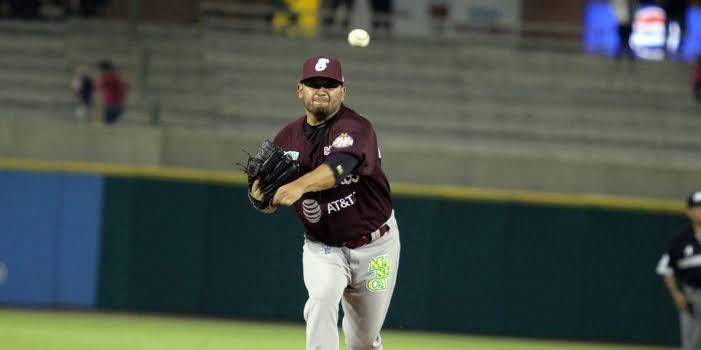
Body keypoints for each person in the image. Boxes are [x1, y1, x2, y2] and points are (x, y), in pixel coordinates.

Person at [249, 55, 400, 350]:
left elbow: (338, 167)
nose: (321, 90)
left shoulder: (357, 128)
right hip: (324, 247)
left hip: (378, 248)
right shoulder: (287, 139)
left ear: (343, 91)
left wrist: (297, 186)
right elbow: (267, 199)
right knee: (321, 299)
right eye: (313, 83)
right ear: (299, 90)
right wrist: (261, 200)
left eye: (330, 84)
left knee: (364, 341)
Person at [656, 189, 701, 350]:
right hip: (693, 296)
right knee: (692, 345)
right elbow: (665, 268)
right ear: (688, 211)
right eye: (697, 207)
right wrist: (676, 294)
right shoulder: (681, 240)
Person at [95, 60, 128, 125]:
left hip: (112, 104)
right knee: (112, 123)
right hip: (119, 103)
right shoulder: (118, 76)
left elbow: (98, 86)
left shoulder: (108, 77)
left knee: (109, 124)